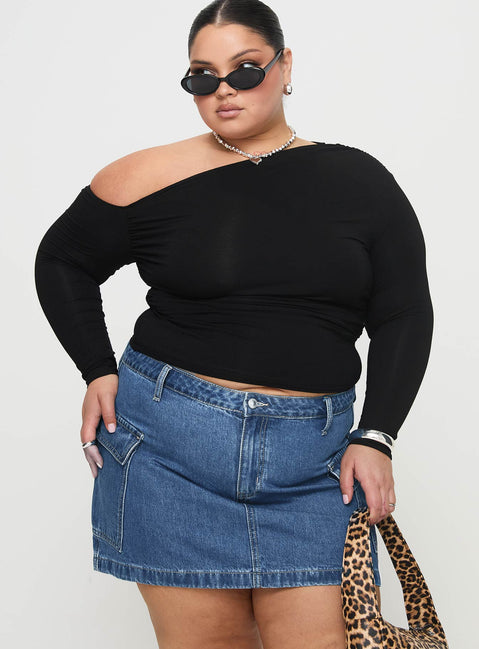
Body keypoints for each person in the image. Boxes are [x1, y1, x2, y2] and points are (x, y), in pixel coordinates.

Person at [34, 1, 434, 647]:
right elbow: (61, 260)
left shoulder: (360, 181)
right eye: (202, 76)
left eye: (245, 70)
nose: (224, 90)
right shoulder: (146, 175)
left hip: (315, 466)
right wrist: (96, 369)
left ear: (285, 66)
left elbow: (403, 312)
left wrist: (377, 434)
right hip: (169, 451)